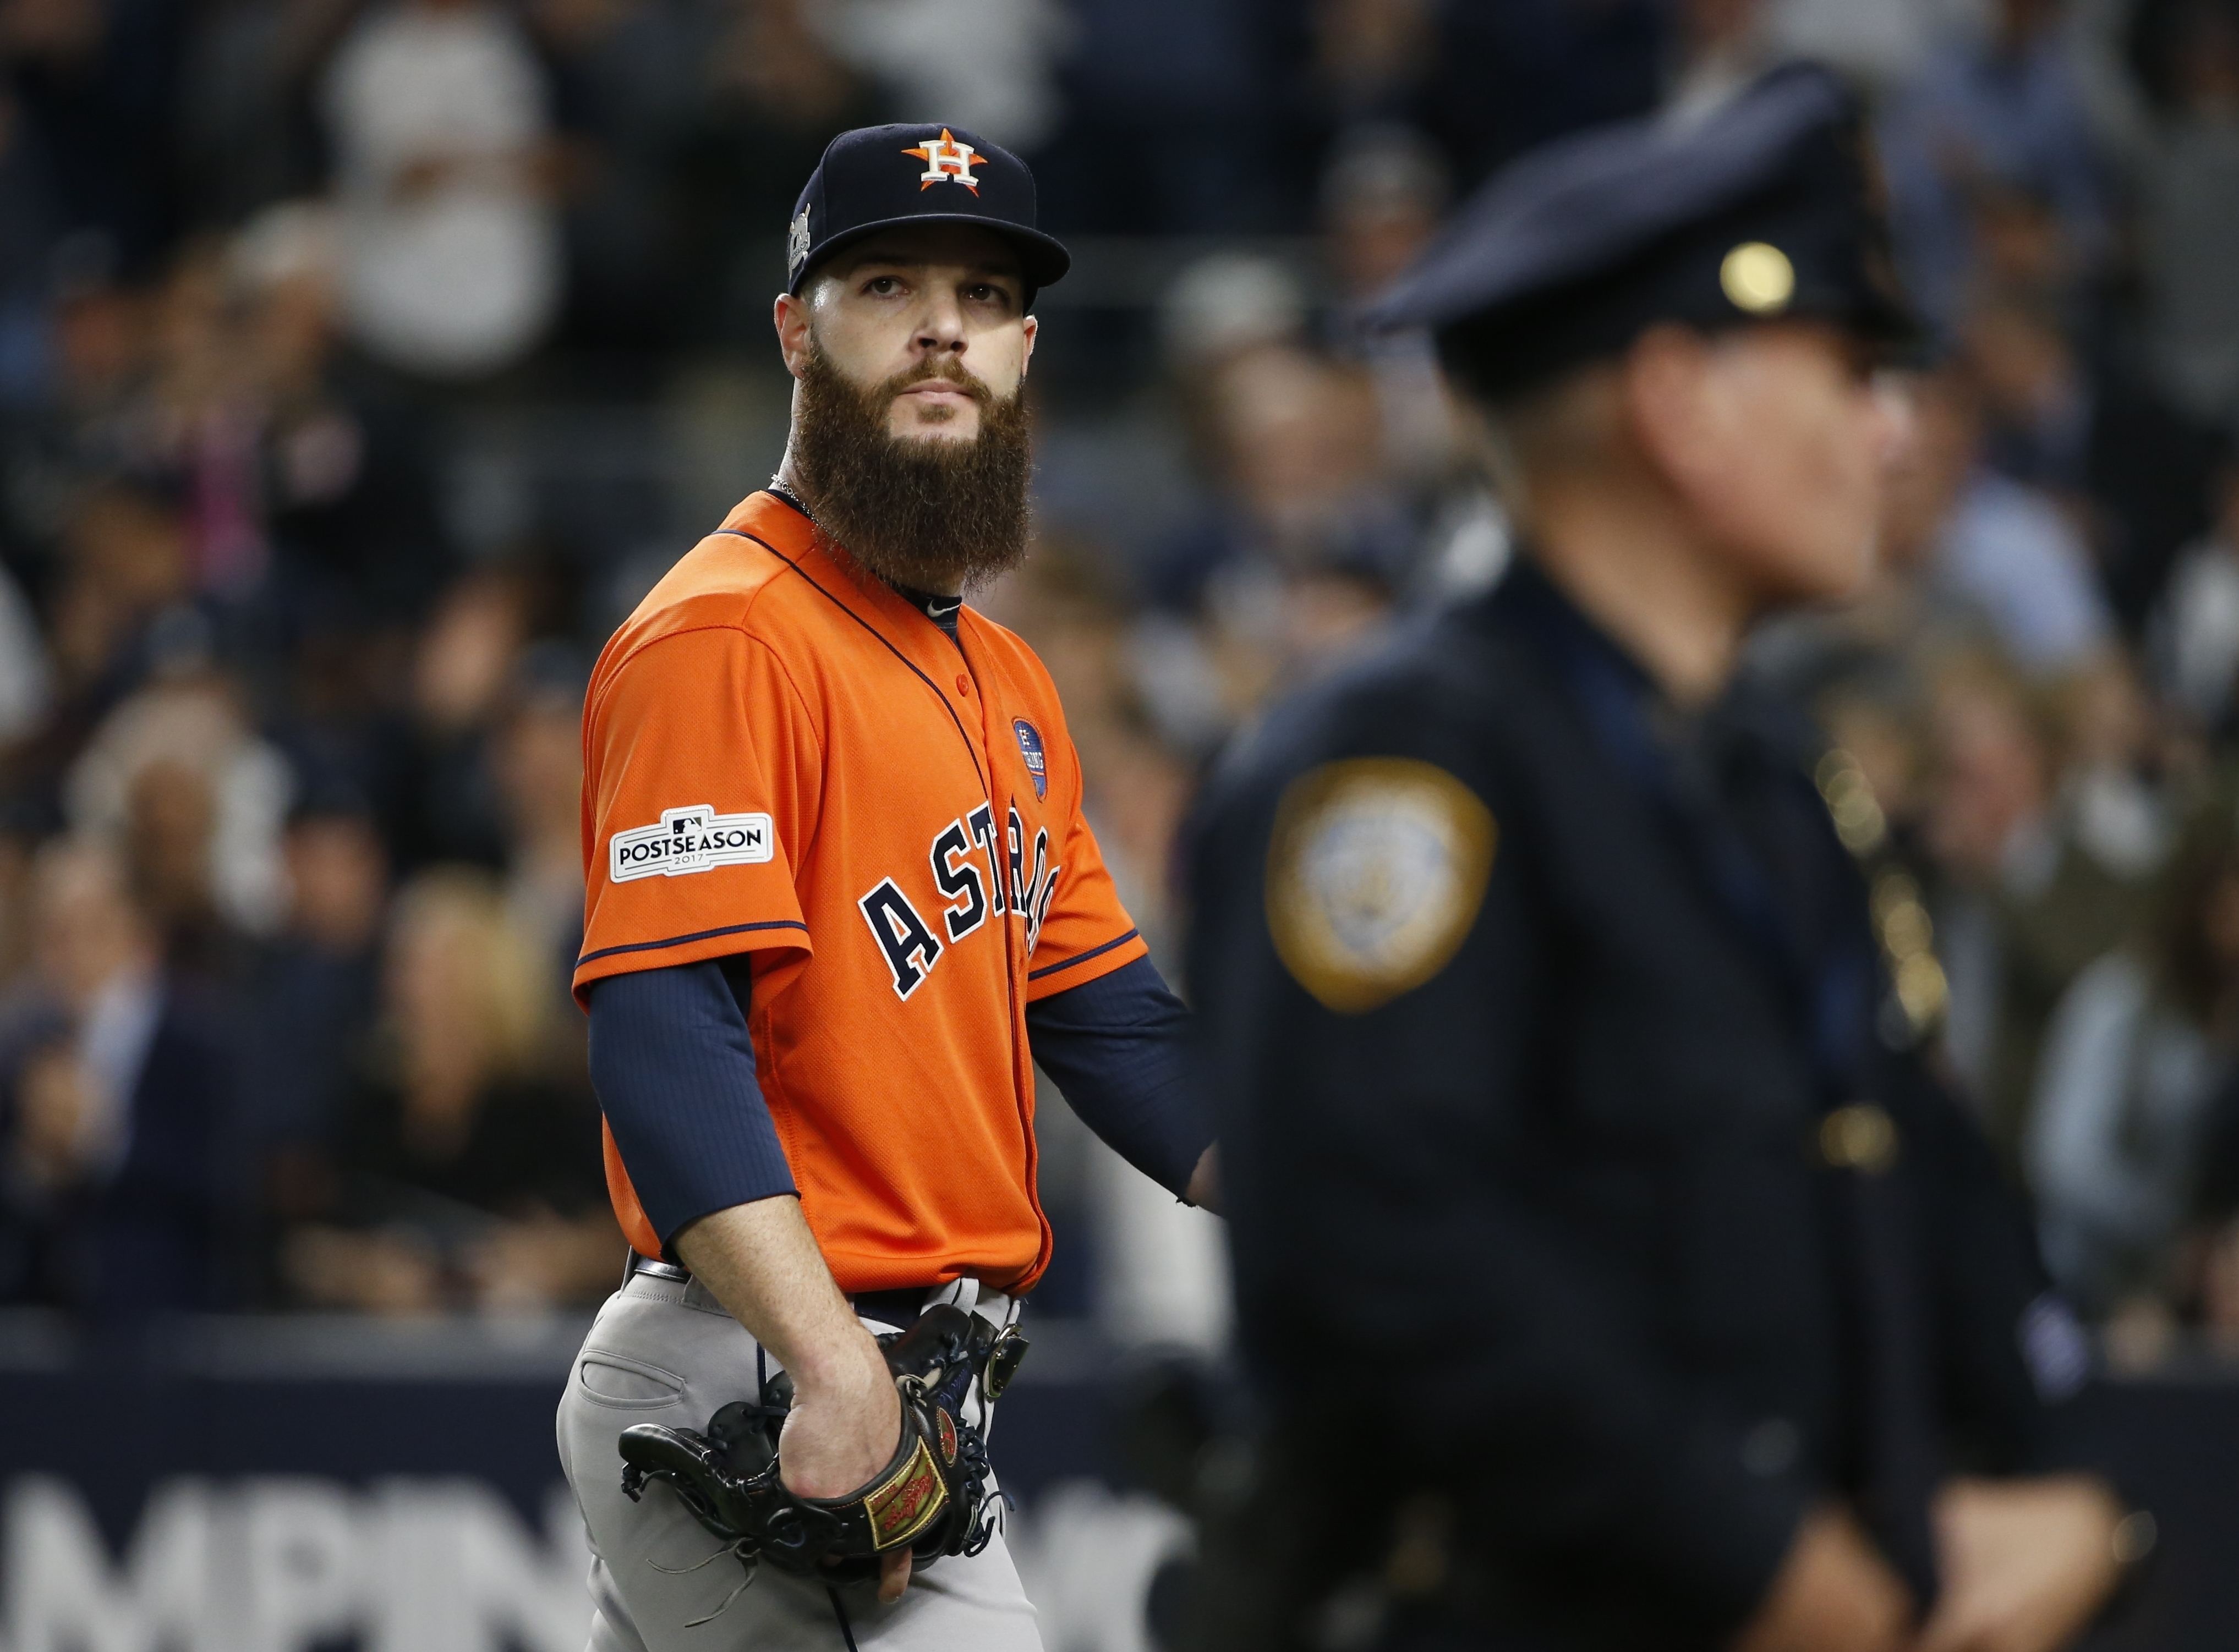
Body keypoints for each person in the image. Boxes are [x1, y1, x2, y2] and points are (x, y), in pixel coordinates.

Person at [1186, 67, 2142, 1652]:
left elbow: (1916, 1185)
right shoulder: (1400, 767)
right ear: (1680, 404)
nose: (1892, 433)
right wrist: (1775, 1561)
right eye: (1846, 373)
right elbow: (1385, 1252)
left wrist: (2075, 1499)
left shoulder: (1771, 777)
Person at [554, 123, 1217, 1651]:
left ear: (1026, 350)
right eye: (887, 282)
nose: (942, 325)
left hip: (890, 1369)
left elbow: (1114, 1023)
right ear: (796, 327)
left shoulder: (1005, 676)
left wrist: (1343, 1189)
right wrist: (828, 1358)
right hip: (769, 1363)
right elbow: (664, 1026)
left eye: (985, 297)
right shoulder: (728, 634)